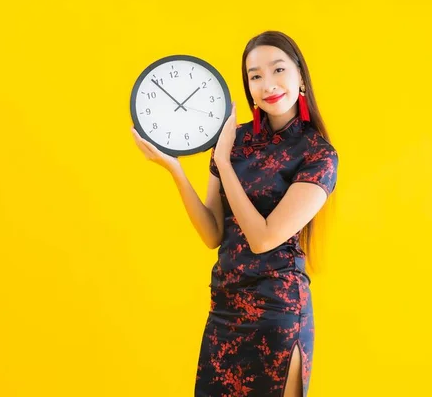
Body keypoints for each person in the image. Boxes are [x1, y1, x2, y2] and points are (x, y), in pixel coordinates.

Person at [131, 30, 338, 397]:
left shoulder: (317, 154)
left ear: (300, 77)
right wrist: (174, 169)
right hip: (225, 310)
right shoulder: (235, 139)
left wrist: (223, 162)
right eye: (255, 76)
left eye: (278, 70)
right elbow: (213, 233)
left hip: (279, 312)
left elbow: (264, 238)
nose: (267, 84)